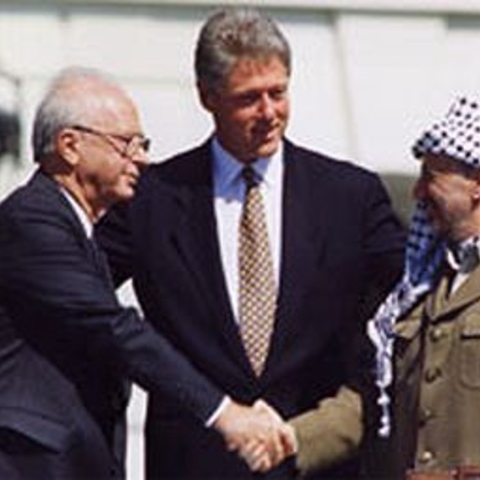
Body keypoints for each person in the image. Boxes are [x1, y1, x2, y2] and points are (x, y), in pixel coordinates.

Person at [97, 7, 405, 479]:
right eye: (248, 99)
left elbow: (417, 299)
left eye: (278, 93)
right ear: (207, 97)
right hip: (195, 464)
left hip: (318, 463)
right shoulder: (151, 200)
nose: (268, 113)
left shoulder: (351, 197)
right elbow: (73, 293)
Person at [0, 66, 288, 479]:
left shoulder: (80, 232)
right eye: (126, 143)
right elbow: (113, 327)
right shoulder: (31, 222)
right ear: (70, 145)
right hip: (30, 462)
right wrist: (223, 413)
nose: (142, 157)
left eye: (143, 144)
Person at [366, 95, 480, 479]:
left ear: (476, 186)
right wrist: (293, 437)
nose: (417, 193)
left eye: (431, 177)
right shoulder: (420, 285)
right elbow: (369, 400)